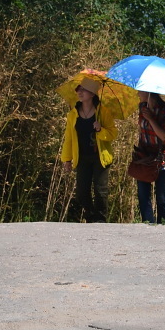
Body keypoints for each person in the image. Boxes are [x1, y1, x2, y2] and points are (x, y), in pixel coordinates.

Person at [61, 77, 117, 223]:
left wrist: (100, 129)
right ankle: (91, 217)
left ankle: (101, 220)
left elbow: (112, 134)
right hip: (82, 157)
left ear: (92, 94)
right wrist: (66, 159)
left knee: (100, 191)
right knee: (81, 192)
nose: (80, 92)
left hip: (99, 156)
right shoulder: (73, 114)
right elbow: (69, 139)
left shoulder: (103, 112)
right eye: (78, 89)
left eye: (84, 90)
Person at [135, 91, 165, 223]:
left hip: (162, 156)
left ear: (148, 92)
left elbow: (164, 137)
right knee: (142, 194)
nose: (137, 93)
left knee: (161, 196)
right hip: (145, 155)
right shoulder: (142, 107)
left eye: (140, 90)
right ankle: (147, 223)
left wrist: (151, 119)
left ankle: (163, 225)